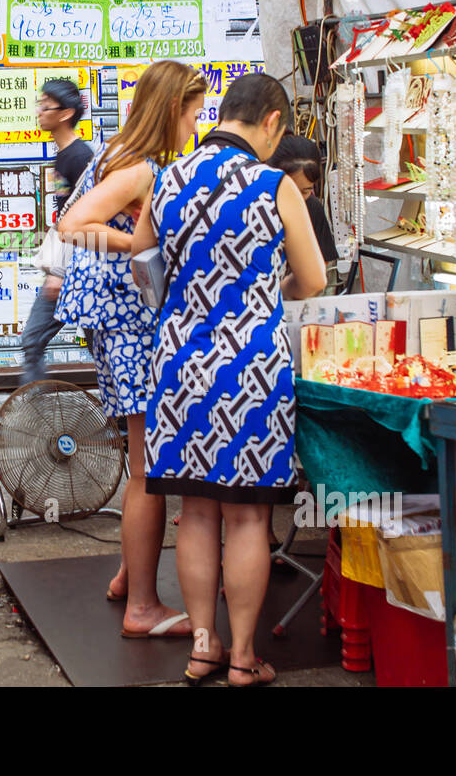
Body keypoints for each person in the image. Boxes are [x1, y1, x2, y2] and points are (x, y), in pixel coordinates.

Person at [133, 73, 326, 686]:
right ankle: (243, 657)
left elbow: (143, 263)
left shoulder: (166, 180)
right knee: (247, 517)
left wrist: (186, 299)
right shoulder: (274, 186)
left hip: (179, 366)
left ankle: (202, 646)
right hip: (251, 368)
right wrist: (267, 290)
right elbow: (314, 280)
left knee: (195, 511)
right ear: (271, 122)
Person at [57, 60, 208, 639]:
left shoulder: (120, 150)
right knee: (148, 468)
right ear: (172, 109)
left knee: (145, 457)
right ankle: (143, 608)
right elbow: (74, 223)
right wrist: (144, 242)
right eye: (193, 114)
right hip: (128, 321)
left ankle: (128, 576)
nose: (196, 126)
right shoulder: (141, 165)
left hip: (115, 318)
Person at [20, 78, 93, 386]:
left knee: (33, 339)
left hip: (78, 268)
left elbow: (88, 218)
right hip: (73, 267)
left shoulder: (79, 157)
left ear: (64, 114)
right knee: (96, 341)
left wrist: (60, 271)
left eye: (45, 105)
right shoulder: (65, 155)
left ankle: (123, 421)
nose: (39, 111)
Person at [269, 134, 340, 268]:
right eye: (291, 189)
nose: (297, 198)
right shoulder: (256, 206)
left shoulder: (312, 207)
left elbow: (321, 262)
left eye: (305, 191)